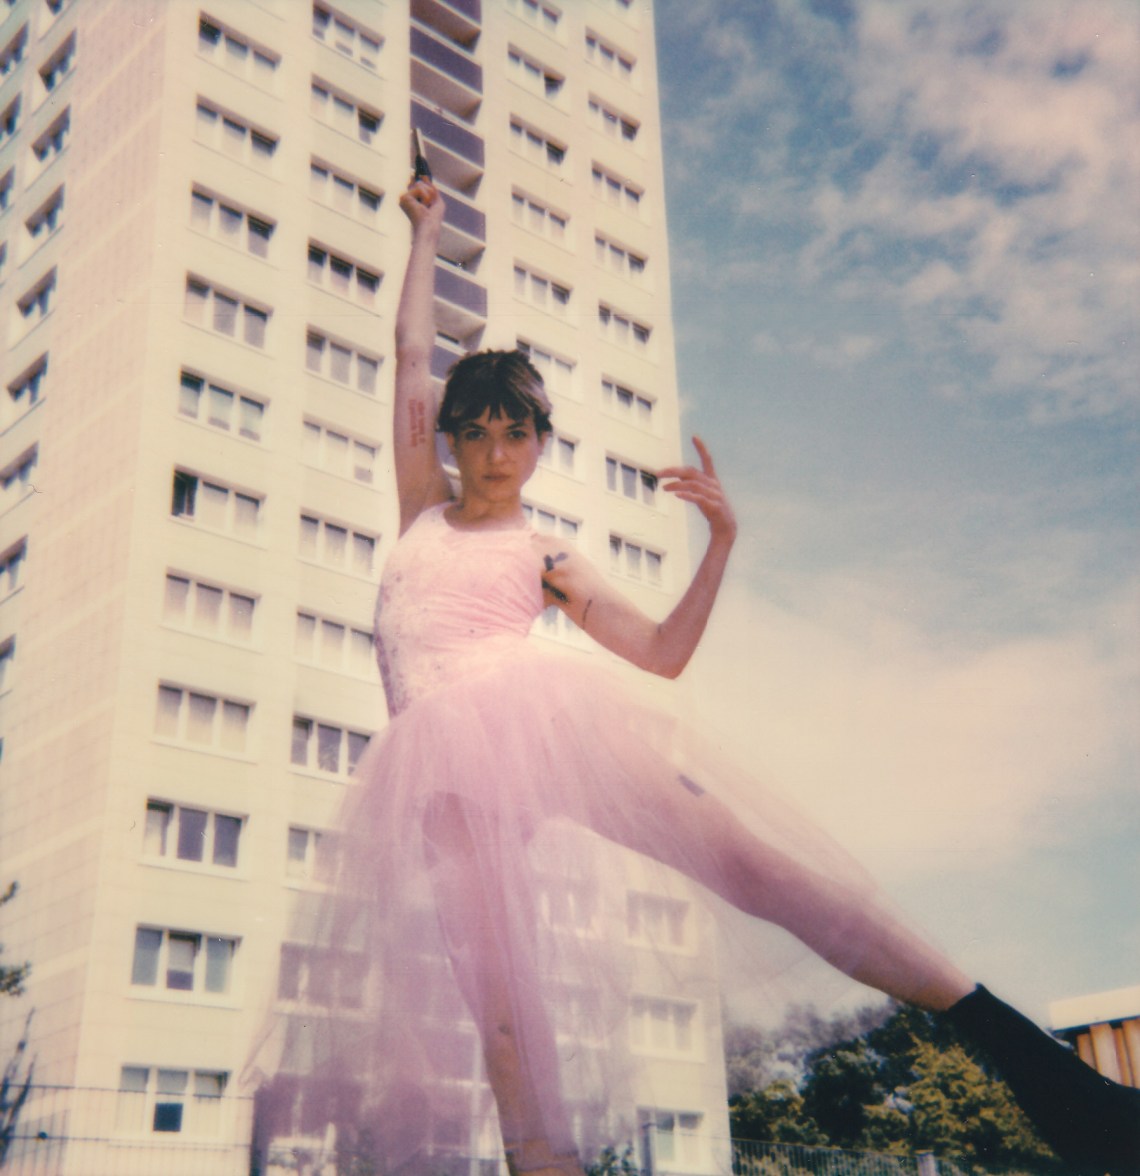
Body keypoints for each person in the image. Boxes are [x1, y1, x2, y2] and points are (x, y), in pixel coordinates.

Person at [249, 178, 1139, 1176]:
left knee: (760, 871)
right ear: (450, 437)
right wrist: (427, 233)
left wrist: (720, 540)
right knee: (504, 1030)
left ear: (540, 444)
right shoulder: (421, 507)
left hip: (551, 728)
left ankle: (1052, 1079)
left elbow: (663, 654)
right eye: (478, 432)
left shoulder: (546, 555)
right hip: (449, 780)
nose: (496, 455)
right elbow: (410, 357)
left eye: (516, 434)